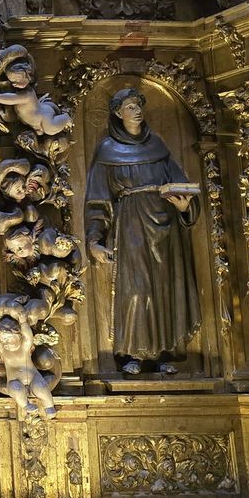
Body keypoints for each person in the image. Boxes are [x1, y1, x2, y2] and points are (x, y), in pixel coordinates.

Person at [84, 87, 201, 376]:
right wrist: (95, 239)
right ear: (117, 113)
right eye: (130, 106)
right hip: (131, 226)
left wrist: (185, 207)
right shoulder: (107, 151)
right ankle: (133, 353)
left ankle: (164, 353)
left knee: (165, 289)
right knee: (136, 290)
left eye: (138, 105)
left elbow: (183, 186)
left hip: (166, 228)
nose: (136, 111)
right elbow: (98, 200)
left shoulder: (158, 147)